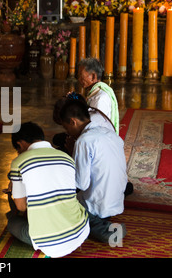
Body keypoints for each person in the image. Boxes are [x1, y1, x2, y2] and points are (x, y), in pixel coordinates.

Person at [5, 122, 90, 258]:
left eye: (17, 149)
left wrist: (14, 189)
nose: (18, 153)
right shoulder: (66, 157)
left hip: (52, 244)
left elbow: (21, 207)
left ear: (20, 144)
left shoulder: (19, 161)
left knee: (12, 223)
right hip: (81, 231)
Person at [59, 99, 128, 243]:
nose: (68, 133)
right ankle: (100, 224)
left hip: (97, 207)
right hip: (116, 201)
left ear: (73, 122)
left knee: (59, 205)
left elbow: (81, 184)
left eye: (67, 128)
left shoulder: (84, 140)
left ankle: (104, 229)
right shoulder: (109, 133)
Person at [77, 58, 119, 134]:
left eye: (81, 75)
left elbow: (94, 127)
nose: (79, 79)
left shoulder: (100, 98)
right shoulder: (95, 92)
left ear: (93, 77)